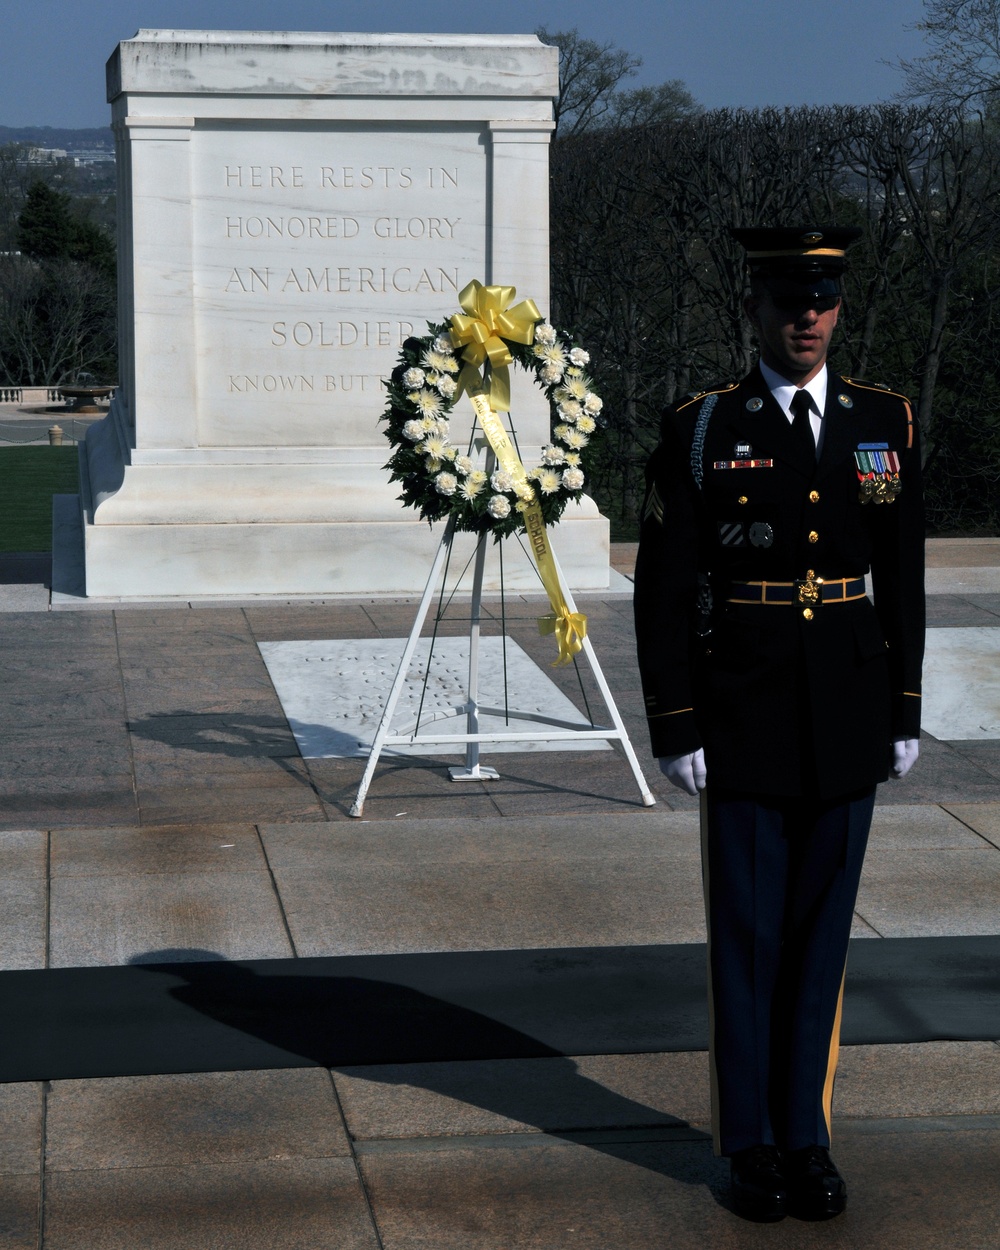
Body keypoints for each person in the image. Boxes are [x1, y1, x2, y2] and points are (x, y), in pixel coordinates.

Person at [633, 226, 925, 1221]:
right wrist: (674, 723)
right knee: (749, 936)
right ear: (753, 309)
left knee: (820, 938)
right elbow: (664, 589)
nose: (808, 316)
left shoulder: (880, 419)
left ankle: (808, 1132)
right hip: (744, 710)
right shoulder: (704, 426)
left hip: (846, 705)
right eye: (790, 299)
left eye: (825, 298)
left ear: (839, 309)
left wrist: (905, 705)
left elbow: (904, 574)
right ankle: (751, 1139)